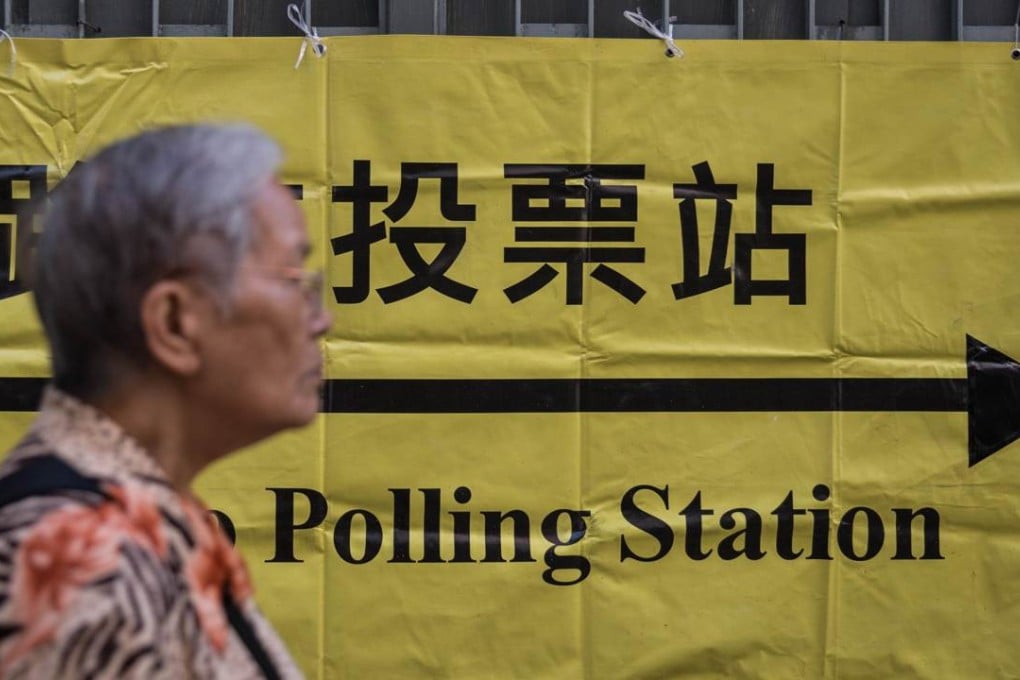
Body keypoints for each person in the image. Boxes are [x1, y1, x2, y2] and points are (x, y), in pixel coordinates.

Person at [0, 124, 330, 678]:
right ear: (175, 323)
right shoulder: (79, 572)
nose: (321, 319)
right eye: (294, 279)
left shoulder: (139, 513)